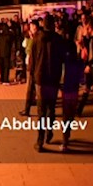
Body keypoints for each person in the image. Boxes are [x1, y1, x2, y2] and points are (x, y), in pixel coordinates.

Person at [29, 14, 65, 152]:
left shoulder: (37, 38)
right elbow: (62, 59)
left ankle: (40, 141)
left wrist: (32, 75)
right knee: (51, 108)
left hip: (40, 78)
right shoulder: (58, 39)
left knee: (41, 111)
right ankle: (49, 132)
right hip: (53, 78)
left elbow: (32, 59)